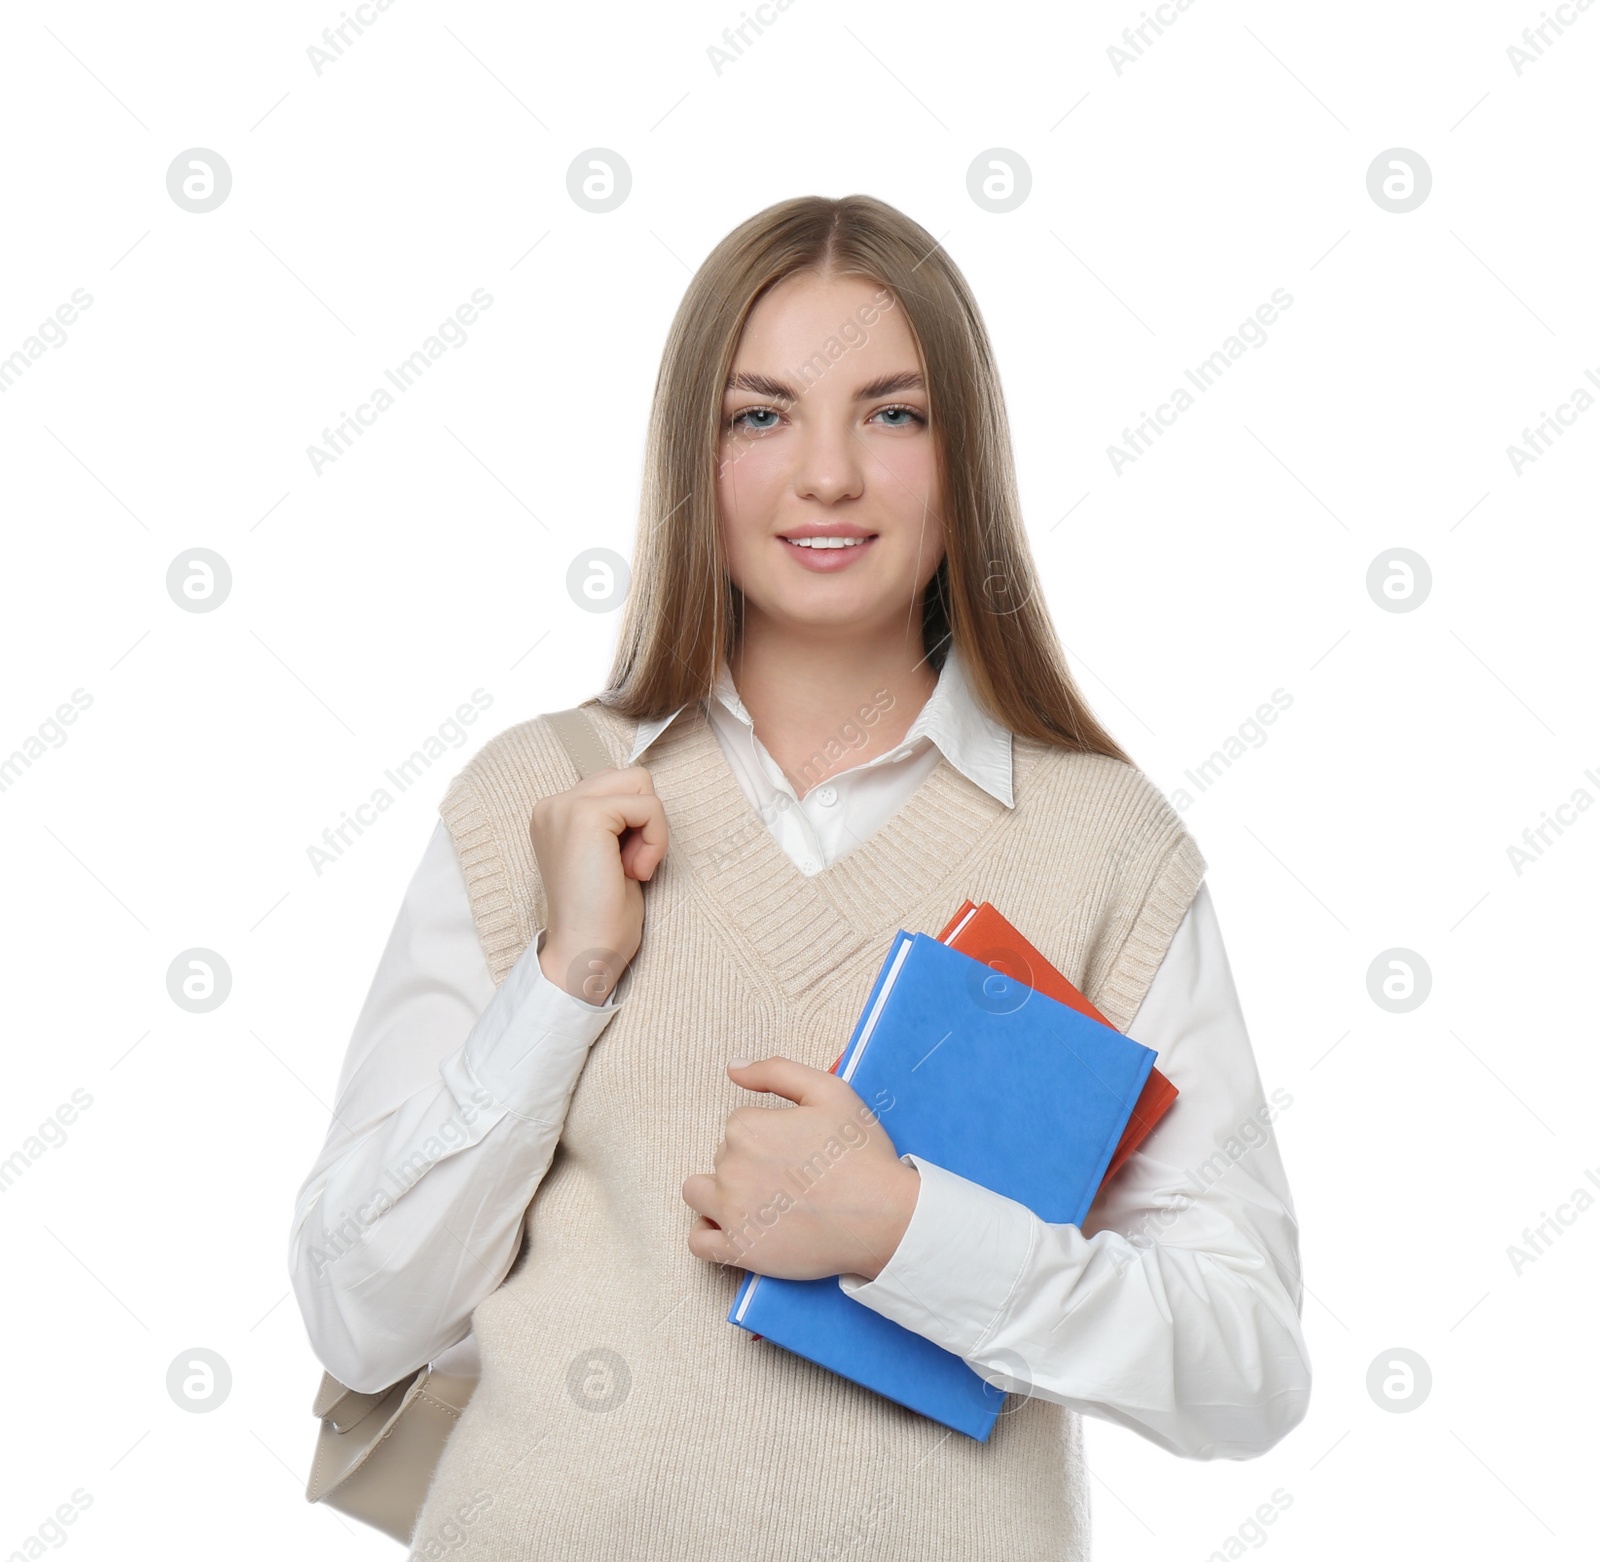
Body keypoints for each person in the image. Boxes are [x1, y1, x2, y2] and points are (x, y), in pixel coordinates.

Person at [288, 193, 1311, 1561]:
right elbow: (362, 1311)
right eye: (760, 414)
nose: (825, 475)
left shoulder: (1103, 843)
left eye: (892, 413)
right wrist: (565, 977)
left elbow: (1246, 1364)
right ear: (692, 457)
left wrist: (902, 1231)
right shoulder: (533, 798)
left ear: (967, 458)